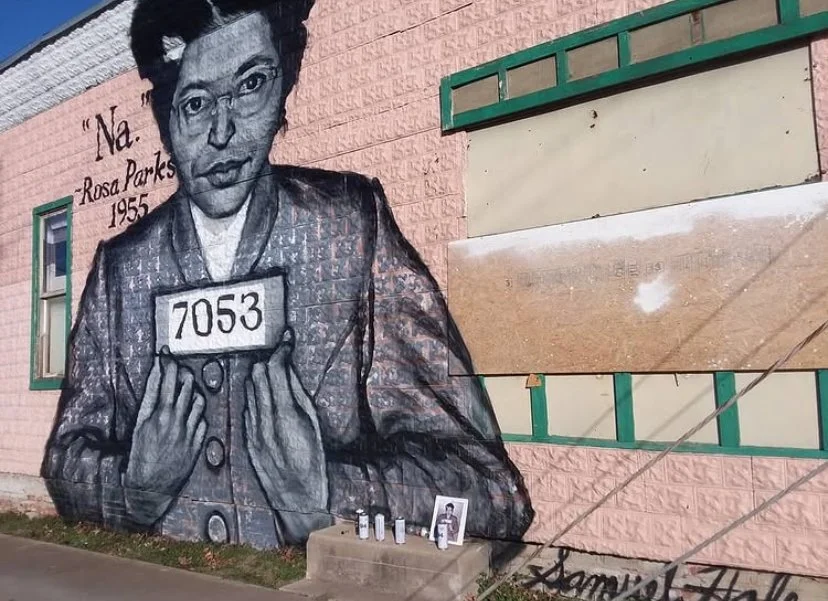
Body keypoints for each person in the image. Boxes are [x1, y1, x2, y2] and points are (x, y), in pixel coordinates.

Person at [41, 0, 533, 548]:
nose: (223, 132)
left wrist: (325, 495)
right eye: (196, 103)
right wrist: (132, 491)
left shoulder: (352, 229)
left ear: (284, 88)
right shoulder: (120, 271)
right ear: (165, 116)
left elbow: (490, 491)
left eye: (251, 84)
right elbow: (64, 459)